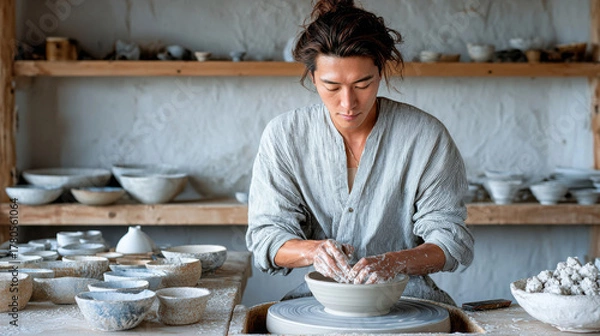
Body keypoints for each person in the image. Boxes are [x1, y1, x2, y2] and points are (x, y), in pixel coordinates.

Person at [246, 0, 474, 306]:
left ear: (380, 71)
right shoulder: (284, 136)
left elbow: (450, 241)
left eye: (362, 84)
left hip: (408, 300)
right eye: (332, 86)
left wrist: (395, 262)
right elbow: (266, 237)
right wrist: (313, 251)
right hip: (318, 301)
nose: (348, 103)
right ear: (312, 78)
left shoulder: (425, 136)